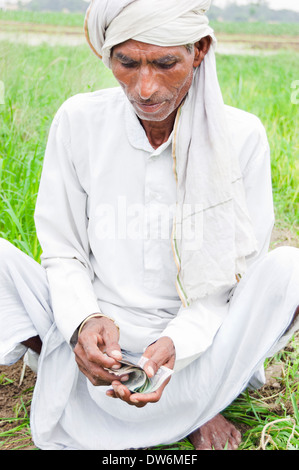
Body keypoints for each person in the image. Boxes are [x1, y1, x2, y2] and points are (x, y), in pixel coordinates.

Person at [0, 0, 298, 451]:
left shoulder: (242, 137)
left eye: (164, 63)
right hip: (99, 340)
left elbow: (230, 282)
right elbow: (63, 252)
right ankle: (125, 383)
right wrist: (84, 319)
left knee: (288, 270)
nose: (144, 87)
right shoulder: (79, 122)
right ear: (108, 56)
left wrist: (178, 342)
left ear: (198, 51)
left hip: (202, 343)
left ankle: (202, 400)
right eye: (127, 62)